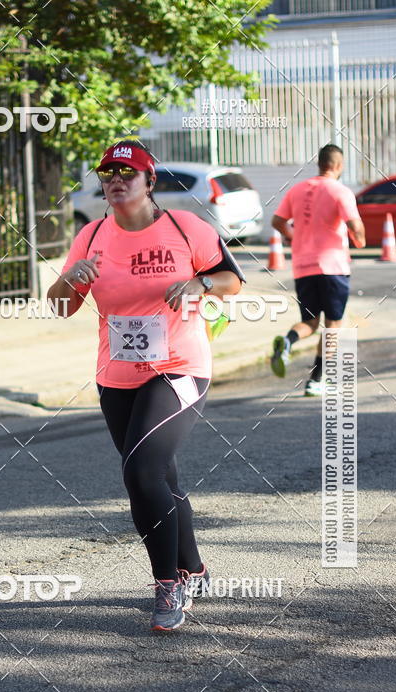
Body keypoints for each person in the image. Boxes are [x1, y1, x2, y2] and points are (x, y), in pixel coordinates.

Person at [47, 139, 244, 632]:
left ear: (150, 182)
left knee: (141, 471)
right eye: (108, 174)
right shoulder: (91, 235)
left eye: (127, 173)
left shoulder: (186, 226)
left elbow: (231, 279)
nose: (116, 181)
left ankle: (168, 585)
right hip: (116, 375)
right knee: (160, 477)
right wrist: (70, 278)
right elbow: (60, 306)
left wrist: (199, 284)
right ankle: (195, 568)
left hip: (179, 366)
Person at [269, 144, 366, 396]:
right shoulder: (340, 191)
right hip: (333, 266)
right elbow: (355, 225)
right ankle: (316, 380)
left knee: (309, 322)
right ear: (338, 165)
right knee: (332, 325)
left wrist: (293, 236)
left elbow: (277, 221)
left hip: (303, 266)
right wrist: (360, 240)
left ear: (320, 164)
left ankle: (287, 343)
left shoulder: (297, 189)